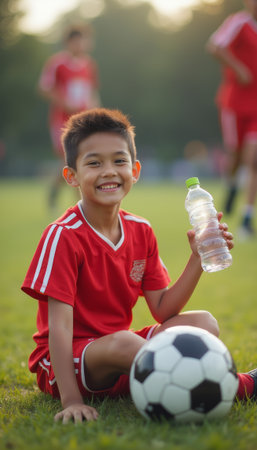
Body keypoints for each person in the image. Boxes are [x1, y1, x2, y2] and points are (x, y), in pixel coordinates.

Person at [21, 108, 256, 424]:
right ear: (71, 176)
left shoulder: (140, 230)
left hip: (121, 354)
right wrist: (72, 400)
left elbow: (162, 308)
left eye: (119, 161)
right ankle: (243, 385)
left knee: (204, 323)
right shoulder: (63, 236)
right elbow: (60, 329)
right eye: (94, 162)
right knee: (125, 341)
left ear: (135, 170)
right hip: (67, 366)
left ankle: (149, 383)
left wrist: (197, 260)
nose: (109, 171)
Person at [206, 0, 257, 238]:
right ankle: (232, 185)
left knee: (253, 158)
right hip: (234, 103)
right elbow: (215, 46)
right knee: (235, 155)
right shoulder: (239, 23)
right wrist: (239, 69)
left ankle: (247, 217)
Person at [38, 23, 100, 210]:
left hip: (82, 121)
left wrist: (96, 112)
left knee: (77, 160)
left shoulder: (89, 65)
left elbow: (92, 92)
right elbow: (43, 88)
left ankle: (72, 200)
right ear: (68, 42)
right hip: (62, 120)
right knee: (72, 160)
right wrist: (64, 101)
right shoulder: (57, 63)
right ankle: (81, 204)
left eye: (84, 41)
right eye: (77, 41)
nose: (81, 45)